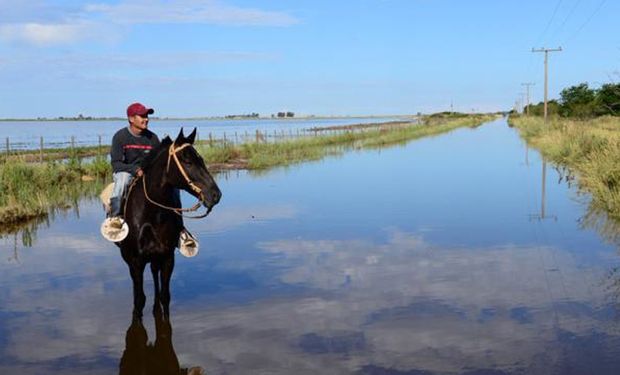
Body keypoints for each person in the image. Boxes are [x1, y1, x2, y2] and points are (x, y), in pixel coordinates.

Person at [104, 102, 198, 255]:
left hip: (147, 174)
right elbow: (116, 164)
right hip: (127, 172)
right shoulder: (120, 137)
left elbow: (158, 162)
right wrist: (134, 170)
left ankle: (180, 229)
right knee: (121, 180)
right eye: (142, 116)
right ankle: (116, 219)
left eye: (146, 116)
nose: (146, 119)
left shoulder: (152, 138)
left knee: (173, 188)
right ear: (131, 119)